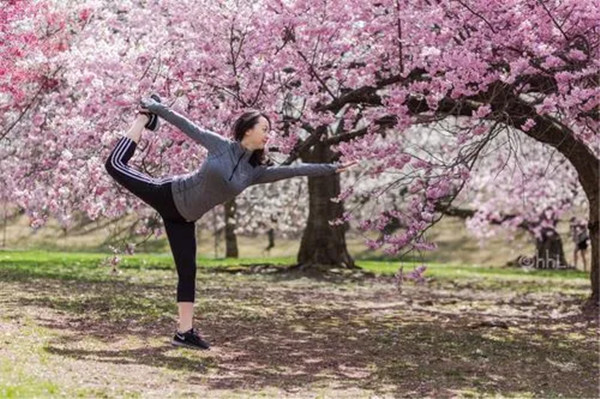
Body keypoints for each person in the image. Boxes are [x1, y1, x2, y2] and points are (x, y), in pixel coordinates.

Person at [104, 95, 358, 350]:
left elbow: (294, 171)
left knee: (188, 272)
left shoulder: (255, 171)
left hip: (184, 219)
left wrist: (332, 168)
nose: (269, 134)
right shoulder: (221, 146)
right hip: (169, 194)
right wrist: (155, 107)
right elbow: (187, 126)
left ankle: (184, 332)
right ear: (248, 130)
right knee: (114, 165)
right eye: (265, 129)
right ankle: (143, 119)